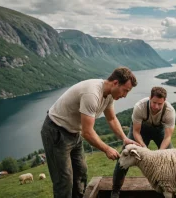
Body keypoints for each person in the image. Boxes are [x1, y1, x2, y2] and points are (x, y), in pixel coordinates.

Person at [40, 67, 140, 198]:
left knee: (81, 173)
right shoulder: (92, 94)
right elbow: (87, 132)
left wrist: (124, 138)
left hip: (74, 132)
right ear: (115, 83)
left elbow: (111, 118)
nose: (125, 95)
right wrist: (107, 149)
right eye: (125, 90)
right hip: (56, 131)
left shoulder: (109, 95)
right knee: (64, 180)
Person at [111, 86, 176, 198]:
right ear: (150, 97)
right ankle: (115, 190)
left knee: (171, 158)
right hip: (141, 131)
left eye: (160, 104)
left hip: (159, 130)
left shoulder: (169, 112)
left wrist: (160, 153)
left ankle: (170, 188)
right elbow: (136, 132)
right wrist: (144, 148)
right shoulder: (140, 107)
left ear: (164, 101)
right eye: (154, 102)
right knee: (125, 155)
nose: (156, 107)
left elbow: (167, 137)